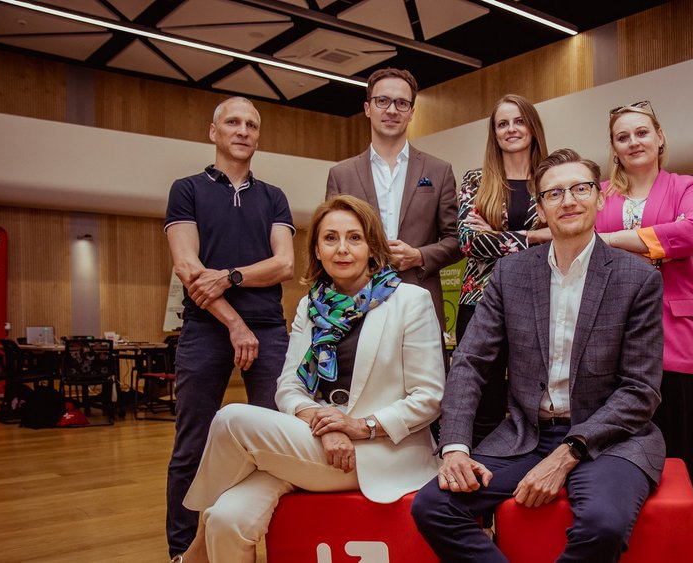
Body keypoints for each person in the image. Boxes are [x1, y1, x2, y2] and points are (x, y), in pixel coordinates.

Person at [412, 149, 666, 562]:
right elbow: (470, 362)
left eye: (580, 189)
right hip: (526, 435)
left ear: (599, 198)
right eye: (554, 193)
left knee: (603, 524)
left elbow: (640, 390)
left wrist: (568, 454)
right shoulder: (511, 274)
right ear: (541, 206)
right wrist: (455, 445)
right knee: (433, 507)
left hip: (611, 438)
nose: (568, 201)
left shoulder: (637, 278)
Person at [175, 196, 445, 563]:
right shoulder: (311, 304)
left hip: (378, 453)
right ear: (317, 250)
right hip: (320, 443)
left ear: (372, 247)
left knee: (231, 419)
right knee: (227, 518)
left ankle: (195, 549)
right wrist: (326, 425)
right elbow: (289, 385)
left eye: (354, 238)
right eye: (330, 238)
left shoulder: (409, 301)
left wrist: (357, 426)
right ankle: (209, 528)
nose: (342, 249)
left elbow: (428, 397)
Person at [163, 96, 296, 558]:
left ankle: (273, 540)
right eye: (233, 122)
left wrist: (232, 275)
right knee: (191, 445)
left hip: (272, 332)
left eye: (252, 125)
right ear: (213, 131)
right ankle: (183, 551)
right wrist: (236, 323)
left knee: (278, 443)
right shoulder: (187, 189)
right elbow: (187, 265)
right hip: (206, 329)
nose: (243, 130)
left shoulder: (273, 196)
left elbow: (284, 263)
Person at [592, 100, 693, 531]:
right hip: (613, 328)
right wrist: (644, 244)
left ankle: (677, 531)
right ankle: (626, 526)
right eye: (623, 137)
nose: (633, 142)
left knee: (676, 434)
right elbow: (582, 242)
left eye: (641, 132)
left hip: (670, 328)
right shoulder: (601, 193)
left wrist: (613, 239)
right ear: (614, 148)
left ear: (659, 137)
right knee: (621, 434)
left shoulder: (684, 185)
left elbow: (692, 232)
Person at [326, 67, 462, 331]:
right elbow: (331, 240)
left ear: (411, 112)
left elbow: (456, 240)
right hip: (355, 303)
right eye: (382, 101)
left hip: (420, 302)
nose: (391, 110)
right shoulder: (341, 175)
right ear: (368, 108)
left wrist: (418, 256)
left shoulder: (439, 171)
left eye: (401, 103)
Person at [456, 94, 551, 445]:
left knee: (535, 400)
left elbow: (563, 238)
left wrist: (498, 236)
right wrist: (534, 236)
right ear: (494, 133)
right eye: (502, 124)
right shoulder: (475, 181)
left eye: (518, 121)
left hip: (537, 303)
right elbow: (468, 242)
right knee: (482, 401)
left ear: (532, 126)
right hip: (480, 302)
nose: (511, 129)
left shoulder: (551, 179)